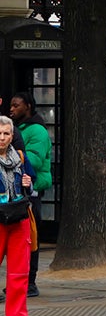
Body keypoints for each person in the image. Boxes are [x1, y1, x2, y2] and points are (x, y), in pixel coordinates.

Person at [10, 92, 50, 298]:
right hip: (16, 190)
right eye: (11, 105)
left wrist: (9, 155)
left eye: (16, 105)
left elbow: (34, 160)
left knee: (29, 238)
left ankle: (30, 283)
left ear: (28, 106)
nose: (12, 109)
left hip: (31, 190)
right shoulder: (18, 129)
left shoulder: (37, 131)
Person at [0, 116, 36, 316]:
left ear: (12, 136)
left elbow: (32, 184)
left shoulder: (20, 158)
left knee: (20, 270)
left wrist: (28, 183)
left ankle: (18, 315)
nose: (2, 137)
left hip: (18, 216)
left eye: (6, 133)